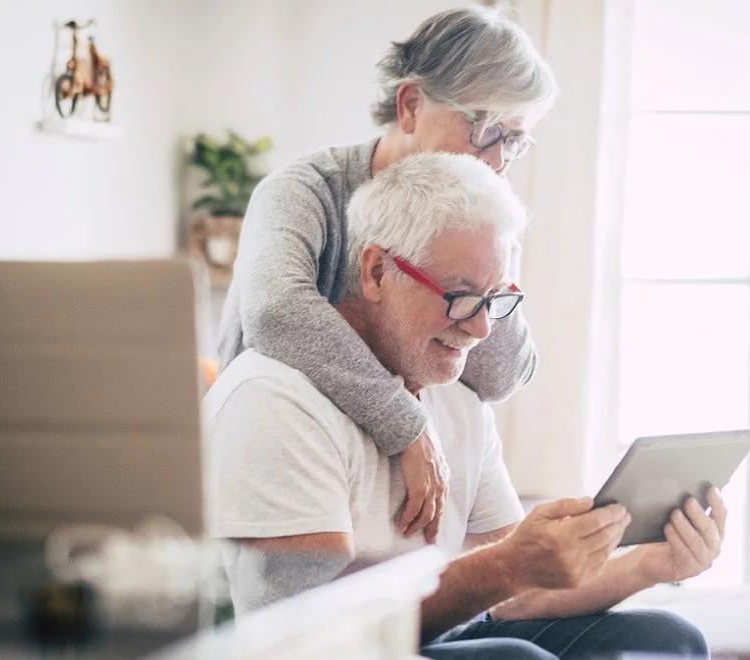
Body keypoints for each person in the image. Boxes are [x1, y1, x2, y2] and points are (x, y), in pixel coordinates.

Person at [205, 154, 722, 659]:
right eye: (460, 294)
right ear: (377, 271)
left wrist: (651, 564)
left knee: (668, 639)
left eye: (494, 299)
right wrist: (505, 566)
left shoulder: (452, 389)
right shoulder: (275, 399)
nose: (480, 329)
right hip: (332, 649)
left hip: (428, 635)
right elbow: (313, 628)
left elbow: (518, 598)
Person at [216, 6, 555, 544]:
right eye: (486, 128)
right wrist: (407, 423)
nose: (499, 159)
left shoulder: (481, 209)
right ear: (411, 105)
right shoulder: (303, 192)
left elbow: (500, 375)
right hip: (281, 471)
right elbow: (276, 311)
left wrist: (487, 254)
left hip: (387, 502)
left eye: (514, 140)